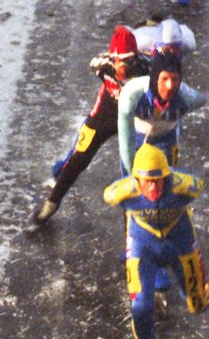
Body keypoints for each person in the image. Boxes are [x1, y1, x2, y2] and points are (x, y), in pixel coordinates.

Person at [102, 144, 209, 339]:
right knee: (140, 306)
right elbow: (108, 194)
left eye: (159, 181)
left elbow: (199, 184)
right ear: (136, 180)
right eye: (147, 182)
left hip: (180, 246)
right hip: (143, 248)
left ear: (168, 177)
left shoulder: (183, 186)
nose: (153, 188)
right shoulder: (123, 192)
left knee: (195, 305)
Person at [32, 26, 148, 224]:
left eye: (128, 60)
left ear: (135, 58)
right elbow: (96, 62)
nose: (121, 66)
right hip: (105, 113)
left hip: (134, 118)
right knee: (80, 154)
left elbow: (164, 64)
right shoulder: (102, 65)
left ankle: (136, 228)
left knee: (135, 169)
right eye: (117, 61)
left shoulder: (147, 69)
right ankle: (53, 202)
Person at [116, 50, 205, 175]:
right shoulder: (132, 95)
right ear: (155, 79)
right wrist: (129, 175)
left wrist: (179, 123)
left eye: (175, 79)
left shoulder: (188, 98)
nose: (170, 86)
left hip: (166, 138)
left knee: (167, 182)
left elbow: (201, 100)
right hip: (136, 136)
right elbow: (126, 141)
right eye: (164, 79)